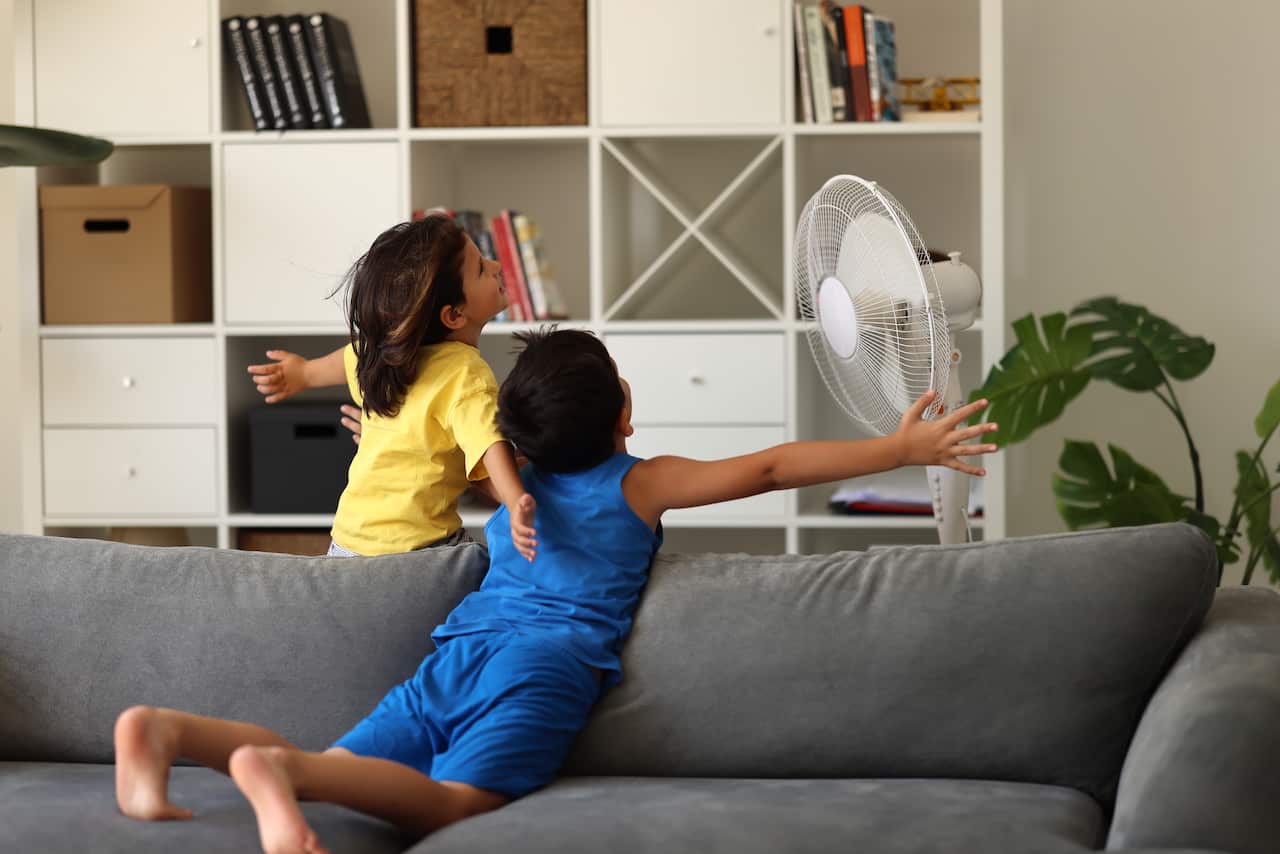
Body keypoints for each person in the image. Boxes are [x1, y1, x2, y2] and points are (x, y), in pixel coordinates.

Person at [115, 328, 998, 854]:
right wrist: (896, 450)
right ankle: (279, 769)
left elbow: (432, 464)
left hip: (460, 651)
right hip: (542, 665)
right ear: (621, 411)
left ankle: (170, 729)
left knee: (345, 768)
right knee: (457, 804)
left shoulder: (511, 485)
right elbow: (767, 467)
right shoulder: (637, 483)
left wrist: (379, 436)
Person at [245, 213, 535, 560]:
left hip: (346, 545)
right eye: (480, 269)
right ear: (454, 315)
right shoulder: (465, 371)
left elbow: (351, 357)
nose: (496, 264)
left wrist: (305, 373)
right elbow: (489, 442)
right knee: (480, 564)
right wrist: (515, 499)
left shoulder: (386, 358)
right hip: (416, 552)